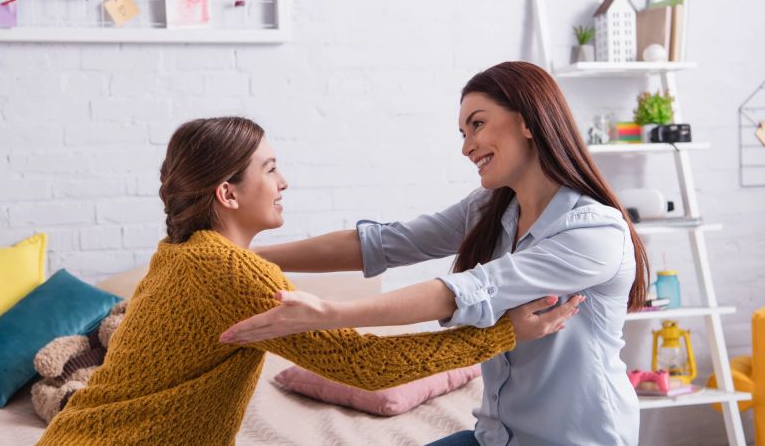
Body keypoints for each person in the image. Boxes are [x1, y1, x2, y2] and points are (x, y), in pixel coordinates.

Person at [36, 116, 580, 446]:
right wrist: (502, 334)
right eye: (270, 169)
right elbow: (365, 367)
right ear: (228, 193)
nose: (284, 181)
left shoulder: (179, 254)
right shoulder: (223, 269)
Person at [220, 62, 650, 446]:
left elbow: (468, 290)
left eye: (477, 125)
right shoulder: (490, 208)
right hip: (495, 437)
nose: (467, 146)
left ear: (527, 122)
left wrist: (330, 312)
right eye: (464, 133)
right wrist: (238, 253)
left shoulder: (594, 232)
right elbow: (384, 243)